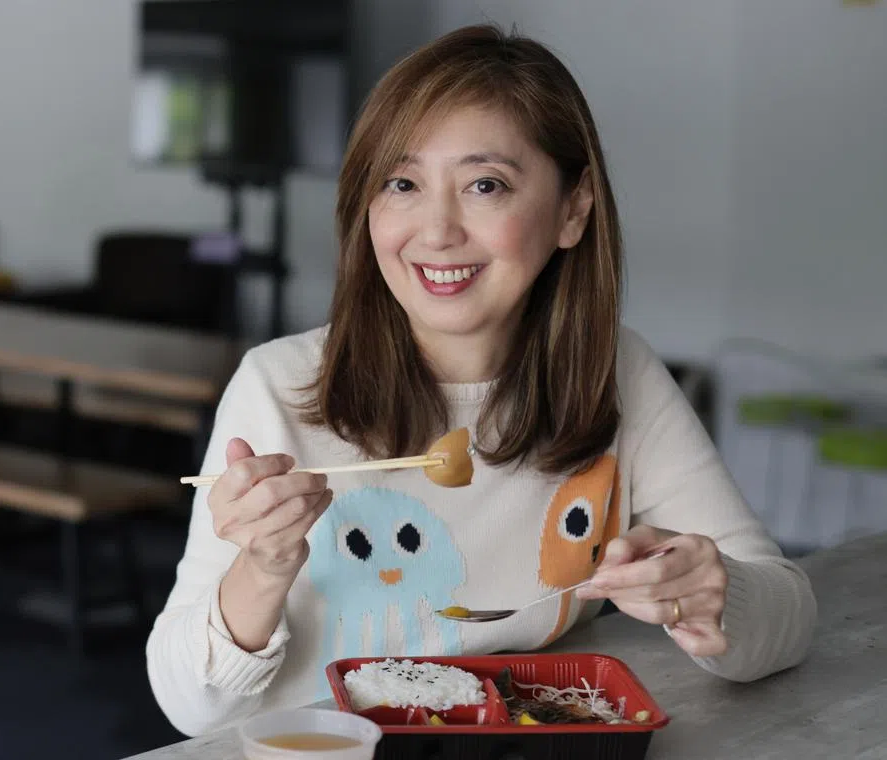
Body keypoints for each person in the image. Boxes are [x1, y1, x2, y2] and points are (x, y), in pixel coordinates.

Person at [146, 24, 816, 737]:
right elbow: (191, 710)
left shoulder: (616, 375)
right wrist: (264, 566)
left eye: (484, 185)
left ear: (573, 209)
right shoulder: (279, 388)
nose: (436, 230)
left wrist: (714, 595)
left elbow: (789, 615)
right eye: (401, 184)